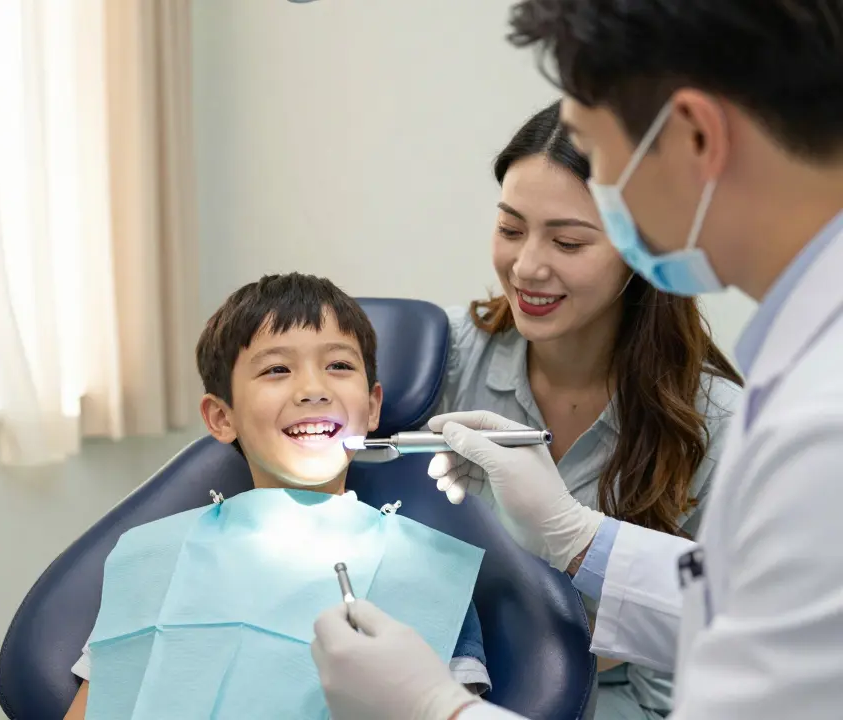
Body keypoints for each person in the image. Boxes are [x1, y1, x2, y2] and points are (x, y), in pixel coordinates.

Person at [310, 1, 843, 719]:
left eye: (601, 157)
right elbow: (741, 606)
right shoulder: (807, 365)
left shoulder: (817, 423)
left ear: (694, 136)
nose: (530, 266)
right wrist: (577, 538)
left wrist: (438, 710)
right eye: (510, 227)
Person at [431, 100, 742, 719]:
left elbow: (731, 639)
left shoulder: (718, 423)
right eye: (511, 228)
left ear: (642, 249)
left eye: (568, 241)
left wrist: (572, 540)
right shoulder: (444, 361)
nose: (525, 267)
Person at [64, 273, 490, 719]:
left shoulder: (429, 576)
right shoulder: (159, 560)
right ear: (220, 416)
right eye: (276, 369)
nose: (313, 390)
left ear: (372, 405)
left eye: (339, 366)